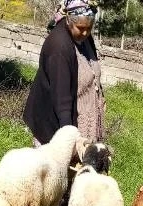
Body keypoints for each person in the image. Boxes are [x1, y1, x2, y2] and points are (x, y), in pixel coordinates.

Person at [23, 0, 105, 147]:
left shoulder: (84, 37)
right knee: (58, 169)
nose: (85, 33)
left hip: (83, 123)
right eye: (81, 28)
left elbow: (92, 71)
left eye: (89, 28)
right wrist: (68, 140)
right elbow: (62, 100)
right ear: (68, 20)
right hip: (58, 126)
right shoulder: (59, 46)